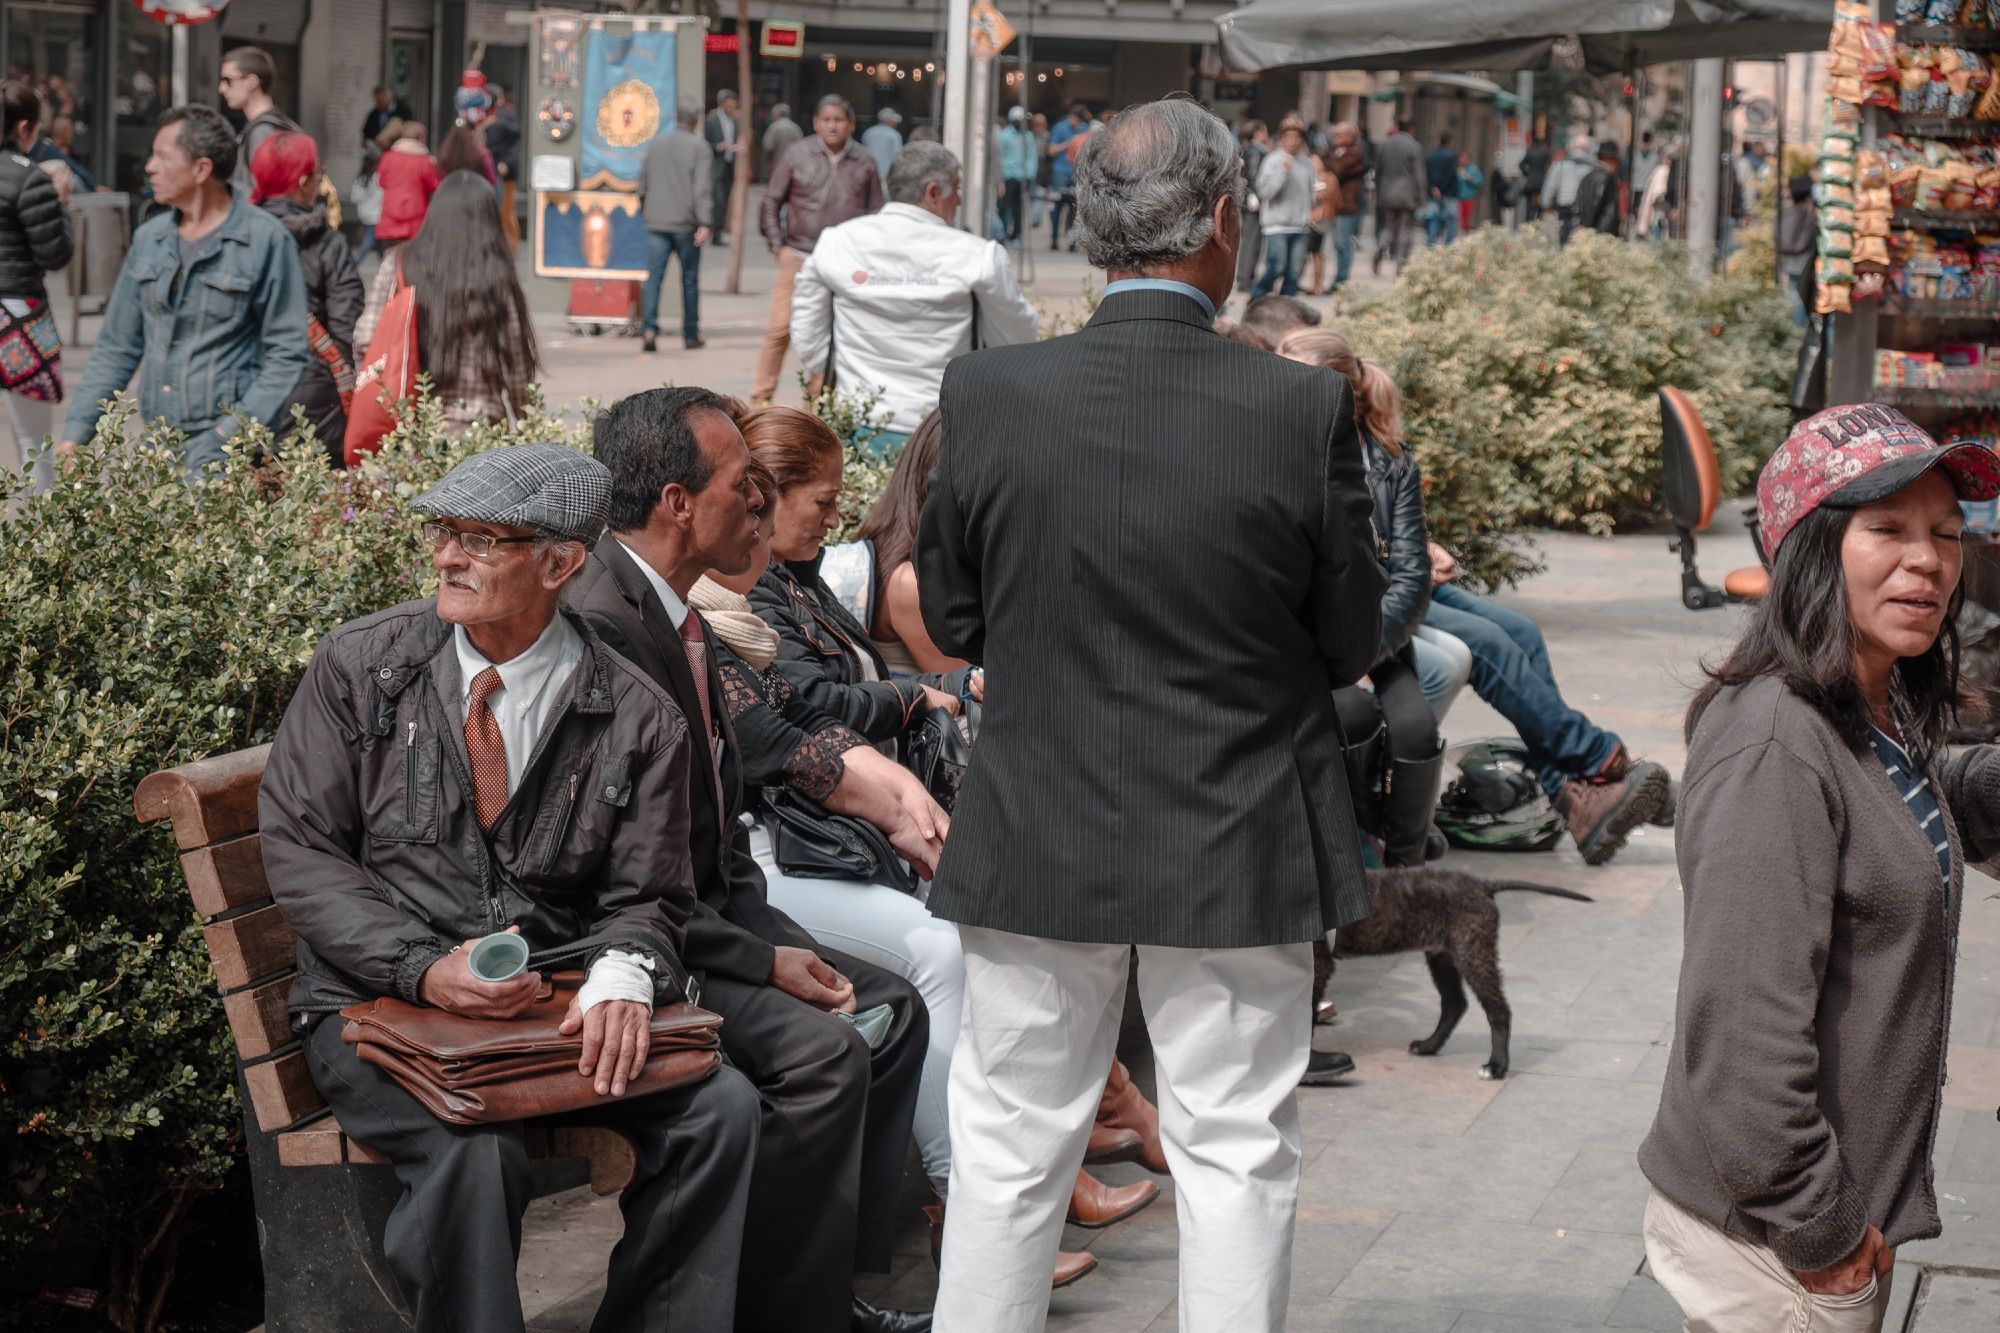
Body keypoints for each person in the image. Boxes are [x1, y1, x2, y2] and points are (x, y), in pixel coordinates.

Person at [918, 97, 1384, 1330]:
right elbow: (1349, 639)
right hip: (1234, 821)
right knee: (1235, 1146)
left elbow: (955, 616)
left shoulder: (987, 392)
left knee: (1010, 1147)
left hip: (1038, 817)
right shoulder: (1295, 409)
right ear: (1227, 221)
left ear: (1088, 232)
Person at [259, 442, 760, 1332]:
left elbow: (649, 892)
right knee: (473, 1149)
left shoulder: (635, 708)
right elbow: (302, 852)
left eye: (482, 540)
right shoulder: (361, 666)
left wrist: (621, 976)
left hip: (546, 1004)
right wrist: (422, 967)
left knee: (717, 1107)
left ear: (560, 563)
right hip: (375, 1006)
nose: (447, 557)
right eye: (445, 532)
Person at [720, 413, 1162, 1294]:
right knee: (946, 945)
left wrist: (924, 707)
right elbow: (793, 726)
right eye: (813, 500)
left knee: (987, 924)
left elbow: (816, 708)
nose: (825, 517)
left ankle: (1049, 1158)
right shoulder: (726, 600)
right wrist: (921, 708)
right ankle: (981, 1197)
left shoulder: (793, 581)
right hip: (784, 853)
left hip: (826, 838)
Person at [568, 389, 934, 1333]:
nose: (762, 510)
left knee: (888, 1003)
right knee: (817, 1057)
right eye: (746, 488)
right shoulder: (603, 625)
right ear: (680, 504)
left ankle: (814, 1296)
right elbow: (612, 868)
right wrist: (757, 956)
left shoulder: (680, 610)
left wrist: (770, 937)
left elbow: (717, 835)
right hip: (623, 952)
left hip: (709, 920)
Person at [1639, 406, 2000, 1332]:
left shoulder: (1872, 709)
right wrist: (1824, 1232)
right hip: (1775, 1252)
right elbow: (1742, 1042)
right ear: (1810, 549)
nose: (1928, 561)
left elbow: (1896, 830)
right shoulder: (1774, 742)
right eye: (1886, 530)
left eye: (1947, 535)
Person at [59, 105, 308, 476]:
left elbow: (286, 357)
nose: (150, 167)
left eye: (162, 156)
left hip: (234, 459)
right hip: (160, 449)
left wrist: (227, 435)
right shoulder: (149, 240)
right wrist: (77, 432)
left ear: (201, 169)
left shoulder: (266, 241)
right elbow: (116, 348)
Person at [1281, 324, 1443, 871]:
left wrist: (1362, 654)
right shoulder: (1274, 454)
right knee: (1351, 712)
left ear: (1339, 395)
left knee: (1417, 729)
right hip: (1304, 651)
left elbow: (1411, 576)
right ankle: (1356, 852)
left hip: (1373, 640)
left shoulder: (1390, 463)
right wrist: (1335, 665)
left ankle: (1406, 873)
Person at [1420, 543, 1672, 862]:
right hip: (1376, 590)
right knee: (1487, 645)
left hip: (1402, 572)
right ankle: (1592, 757)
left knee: (1522, 634)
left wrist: (1420, 547)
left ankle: (1572, 794)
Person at [790, 142, 1037, 456]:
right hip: (943, 427)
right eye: (956, 191)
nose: (959, 200)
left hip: (859, 423)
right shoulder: (977, 255)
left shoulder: (838, 243)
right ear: (933, 193)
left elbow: (809, 340)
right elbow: (1017, 341)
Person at [355, 171, 536, 432]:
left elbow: (364, 339)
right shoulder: (496, 275)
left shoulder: (398, 264)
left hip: (409, 431)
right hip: (479, 435)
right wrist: (526, 420)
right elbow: (516, 362)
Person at [752, 95, 882, 408]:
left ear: (850, 124)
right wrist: (777, 245)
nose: (832, 125)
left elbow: (876, 212)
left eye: (839, 120)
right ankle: (760, 399)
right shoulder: (797, 153)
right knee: (780, 328)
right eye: (826, 119)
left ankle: (817, 404)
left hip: (843, 261)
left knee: (831, 333)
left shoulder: (864, 160)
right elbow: (771, 200)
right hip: (798, 254)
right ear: (815, 122)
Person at [251, 131, 362, 460]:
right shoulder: (328, 244)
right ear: (303, 182)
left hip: (244, 389)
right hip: (315, 397)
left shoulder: (236, 238)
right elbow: (346, 326)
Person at [0, 81, 72, 491]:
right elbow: (55, 255)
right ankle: (40, 540)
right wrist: (61, 206)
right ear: (23, 127)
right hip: (20, 318)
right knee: (33, 443)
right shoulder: (30, 178)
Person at [636, 96, 712, 355]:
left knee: (654, 278)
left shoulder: (656, 144)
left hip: (656, 221)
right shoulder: (699, 147)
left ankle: (649, 329)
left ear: (675, 116)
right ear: (697, 119)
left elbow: (642, 183)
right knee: (689, 279)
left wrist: (648, 208)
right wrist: (705, 221)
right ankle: (690, 334)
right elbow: (702, 188)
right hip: (686, 224)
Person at [218, 46, 297, 199]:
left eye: (228, 80)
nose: (221, 88)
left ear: (252, 82)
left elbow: (261, 195)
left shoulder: (262, 131)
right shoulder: (283, 124)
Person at [1250, 113, 1314, 299]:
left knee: (1293, 274)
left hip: (1300, 225)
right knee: (1276, 267)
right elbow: (1265, 192)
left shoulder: (1306, 163)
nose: (1293, 141)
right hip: (1277, 225)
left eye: (1297, 137)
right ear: (1282, 139)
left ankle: (1285, 308)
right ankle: (1256, 297)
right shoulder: (1273, 161)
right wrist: (1282, 174)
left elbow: (1309, 191)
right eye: (1289, 137)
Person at [373, 120, 440, 251]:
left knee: (391, 258)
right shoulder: (424, 161)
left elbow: (381, 181)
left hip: (390, 217)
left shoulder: (388, 157)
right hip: (415, 220)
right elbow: (433, 185)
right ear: (421, 137)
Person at [1373, 117, 1425, 273]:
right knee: (1405, 229)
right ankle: (1401, 263)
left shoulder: (1385, 145)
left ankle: (1382, 245)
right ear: (1411, 128)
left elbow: (1378, 171)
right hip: (1407, 194)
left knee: (1388, 226)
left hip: (1387, 193)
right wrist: (1422, 197)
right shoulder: (1414, 146)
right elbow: (1419, 174)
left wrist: (1379, 192)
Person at [1323, 121, 1366, 292]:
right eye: (1335, 135)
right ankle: (1339, 278)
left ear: (1351, 137)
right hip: (1334, 204)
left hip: (1347, 204)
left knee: (1343, 242)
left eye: (1340, 135)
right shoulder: (1336, 152)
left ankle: (1341, 280)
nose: (1335, 138)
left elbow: (1336, 169)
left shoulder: (1355, 153)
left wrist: (1327, 160)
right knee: (1336, 243)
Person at [1047, 102, 1092, 251]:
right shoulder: (1060, 128)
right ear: (1071, 116)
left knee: (1075, 210)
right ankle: (1054, 239)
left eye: (1080, 121)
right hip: (1060, 173)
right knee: (1056, 208)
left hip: (1077, 174)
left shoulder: (1085, 130)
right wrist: (1070, 143)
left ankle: (1073, 241)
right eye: (1075, 120)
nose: (1077, 123)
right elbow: (1051, 150)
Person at [1541, 133, 1598, 242]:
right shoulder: (1592, 166)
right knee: (1581, 236)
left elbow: (1550, 186)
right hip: (1584, 207)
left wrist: (1546, 204)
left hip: (1565, 204)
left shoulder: (1560, 164)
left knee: (1564, 234)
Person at [1231, 118, 1267, 292]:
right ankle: (1245, 279)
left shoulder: (1252, 150)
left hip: (1251, 200)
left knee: (1251, 239)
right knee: (1252, 240)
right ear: (1258, 133)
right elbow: (1252, 176)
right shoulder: (1255, 152)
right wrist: (1255, 196)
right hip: (1254, 201)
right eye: (1264, 130)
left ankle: (1246, 277)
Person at [485, 84, 522, 248]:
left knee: (505, 213)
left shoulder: (502, 118)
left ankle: (510, 248)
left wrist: (505, 163)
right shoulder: (493, 118)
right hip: (490, 169)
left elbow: (511, 143)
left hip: (501, 170)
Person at [1778, 172, 1817, 328]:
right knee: (1802, 302)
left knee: (1793, 299)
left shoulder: (1786, 210)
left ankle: (1795, 332)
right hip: (1805, 264)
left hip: (1790, 263)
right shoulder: (1807, 213)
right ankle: (1798, 332)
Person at [997, 105, 1037, 243]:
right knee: (1003, 207)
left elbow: (1032, 156)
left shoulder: (1028, 136)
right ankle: (1002, 233)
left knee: (1018, 209)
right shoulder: (1004, 136)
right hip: (1008, 176)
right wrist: (1000, 178)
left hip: (1023, 177)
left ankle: (1016, 235)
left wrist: (1030, 174)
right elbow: (999, 157)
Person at [705, 88, 740, 242]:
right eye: (729, 106)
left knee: (725, 199)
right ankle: (715, 234)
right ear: (722, 104)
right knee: (717, 199)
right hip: (716, 165)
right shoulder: (711, 121)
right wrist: (719, 146)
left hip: (730, 164)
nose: (731, 109)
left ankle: (718, 231)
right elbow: (705, 144)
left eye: (733, 106)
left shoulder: (735, 121)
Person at [1570, 140, 1623, 242]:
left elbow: (1577, 204)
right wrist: (1587, 229)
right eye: (1616, 160)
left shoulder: (1588, 176)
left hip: (1591, 230)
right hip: (1603, 231)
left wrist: (1582, 226)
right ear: (1609, 158)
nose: (1618, 164)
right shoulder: (1607, 177)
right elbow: (1595, 204)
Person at [1424, 131, 1460, 245]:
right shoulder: (1452, 156)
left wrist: (1434, 188)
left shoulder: (1430, 155)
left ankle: (1431, 241)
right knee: (1451, 219)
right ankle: (1448, 243)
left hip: (1433, 193)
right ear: (1450, 142)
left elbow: (1426, 174)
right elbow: (1450, 175)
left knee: (1433, 218)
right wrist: (1442, 188)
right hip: (1449, 193)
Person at [351, 142, 384, 262]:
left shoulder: (361, 179)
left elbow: (353, 198)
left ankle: (385, 269)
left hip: (365, 216)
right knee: (367, 244)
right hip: (377, 216)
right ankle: (353, 265)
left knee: (381, 247)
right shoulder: (378, 178)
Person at [861, 106, 903, 182]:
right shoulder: (894, 135)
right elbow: (898, 157)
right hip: (887, 177)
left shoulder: (868, 133)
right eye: (894, 121)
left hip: (869, 175)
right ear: (889, 121)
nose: (895, 123)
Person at [762, 102, 802, 178]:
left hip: (776, 166)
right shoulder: (796, 128)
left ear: (776, 115)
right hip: (792, 167)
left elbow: (768, 146)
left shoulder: (774, 127)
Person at [1519, 133, 1551, 224]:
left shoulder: (1530, 152)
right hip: (1542, 180)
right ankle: (1538, 217)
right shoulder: (1545, 153)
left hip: (1530, 181)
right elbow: (1549, 165)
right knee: (1541, 200)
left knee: (1529, 201)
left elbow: (1521, 165)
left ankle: (1528, 219)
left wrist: (1527, 173)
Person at [1455, 149, 1484, 236]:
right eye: (1461, 157)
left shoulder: (1473, 169)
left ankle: (1466, 236)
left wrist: (1469, 178)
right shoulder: (1455, 168)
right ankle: (1457, 235)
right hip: (1456, 198)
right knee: (1457, 219)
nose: (1463, 159)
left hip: (1469, 198)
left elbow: (1480, 182)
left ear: (1469, 159)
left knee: (1467, 219)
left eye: (1465, 157)